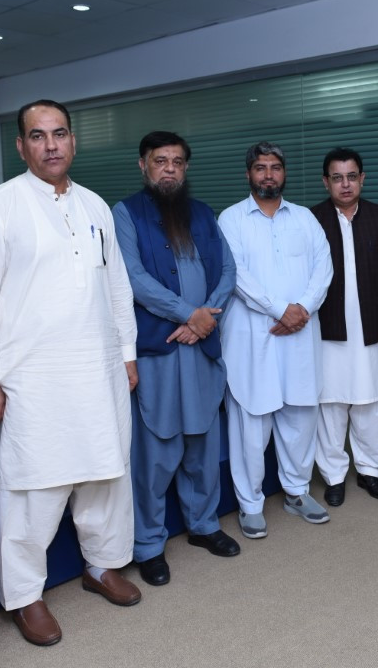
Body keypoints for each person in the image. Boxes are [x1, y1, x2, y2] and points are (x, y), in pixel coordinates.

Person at [0, 99, 141, 647]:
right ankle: (25, 596)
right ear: (21, 146)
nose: (51, 144)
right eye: (37, 136)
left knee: (105, 475)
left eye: (59, 133)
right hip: (31, 378)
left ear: (73, 140)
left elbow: (117, 286)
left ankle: (103, 565)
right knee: (33, 490)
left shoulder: (95, 205)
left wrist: (127, 353)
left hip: (98, 369)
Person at [112, 131, 240, 588]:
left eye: (178, 162)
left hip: (200, 346)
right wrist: (189, 314)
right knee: (156, 451)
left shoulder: (202, 212)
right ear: (143, 165)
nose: (170, 169)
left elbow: (228, 270)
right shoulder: (125, 213)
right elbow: (133, 278)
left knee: (203, 442)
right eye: (160, 160)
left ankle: (204, 525)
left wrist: (203, 320)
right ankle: (148, 544)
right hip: (160, 348)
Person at [218, 141, 334, 539]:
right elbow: (236, 274)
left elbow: (323, 268)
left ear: (284, 173)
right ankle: (250, 504)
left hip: (300, 334)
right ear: (248, 174)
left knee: (300, 417)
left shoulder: (304, 218)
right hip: (253, 336)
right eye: (261, 168)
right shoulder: (231, 219)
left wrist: (302, 308)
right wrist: (281, 309)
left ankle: (297, 492)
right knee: (251, 424)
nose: (268, 175)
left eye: (275, 167)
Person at [311, 147, 378, 505]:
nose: (345, 184)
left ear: (362, 179)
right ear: (326, 182)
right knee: (330, 405)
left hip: (373, 327)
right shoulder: (311, 220)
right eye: (337, 178)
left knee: (372, 403)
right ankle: (334, 476)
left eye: (351, 177)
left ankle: (370, 471)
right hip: (326, 330)